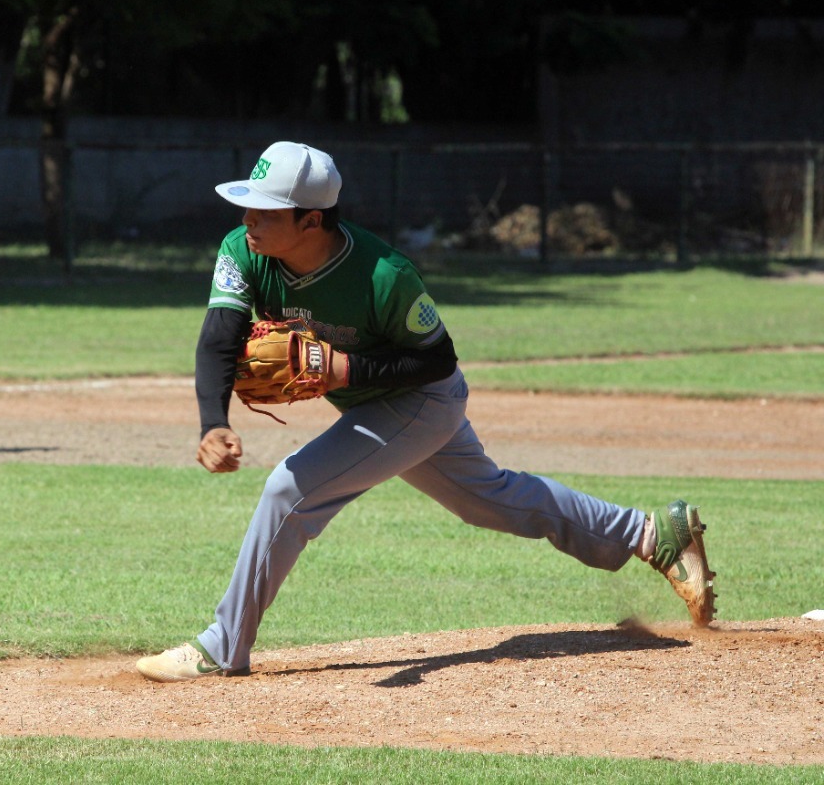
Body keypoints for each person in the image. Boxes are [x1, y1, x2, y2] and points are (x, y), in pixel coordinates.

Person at [135, 141, 716, 682]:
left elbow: (439, 361)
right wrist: (214, 421)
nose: (248, 221)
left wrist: (346, 373)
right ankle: (651, 534)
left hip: (423, 401)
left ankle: (222, 645)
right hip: (377, 410)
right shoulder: (243, 251)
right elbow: (219, 337)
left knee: (290, 490)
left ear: (311, 220)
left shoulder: (385, 275)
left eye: (265, 211)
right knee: (490, 498)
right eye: (248, 208)